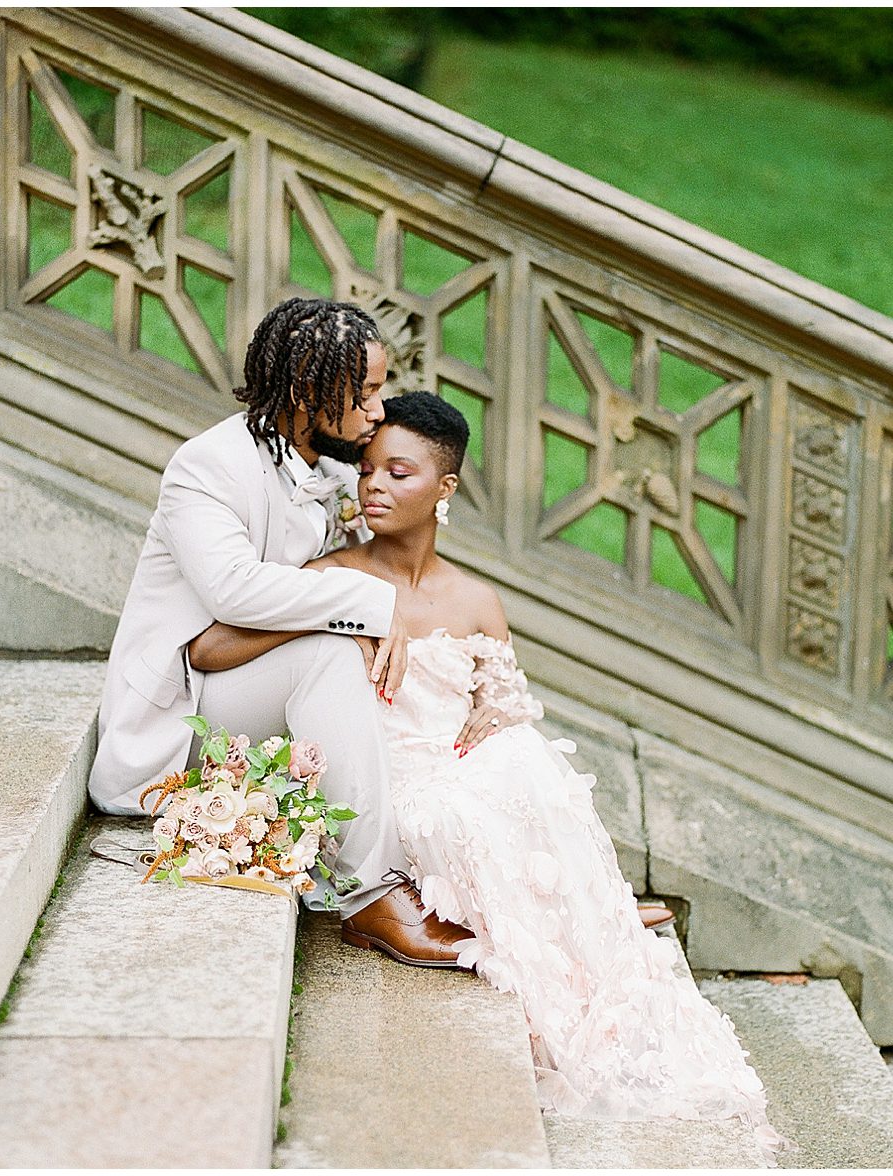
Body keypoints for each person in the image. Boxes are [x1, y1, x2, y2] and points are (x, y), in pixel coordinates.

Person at [188, 393, 783, 1157]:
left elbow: (502, 707)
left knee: (523, 757)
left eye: (399, 472)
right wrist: (333, 613)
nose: (373, 485)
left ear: (445, 488)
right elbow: (213, 648)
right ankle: (583, 903)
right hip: (384, 783)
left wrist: (493, 723)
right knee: (454, 814)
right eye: (366, 469)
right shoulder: (330, 572)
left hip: (457, 765)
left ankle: (584, 898)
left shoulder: (476, 600)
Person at [87, 299, 471, 967]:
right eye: (368, 391)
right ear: (307, 392)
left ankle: (473, 868)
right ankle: (370, 896)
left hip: (254, 685)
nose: (380, 410)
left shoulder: (336, 470)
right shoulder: (207, 467)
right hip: (184, 714)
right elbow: (232, 590)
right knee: (329, 654)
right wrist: (365, 604)